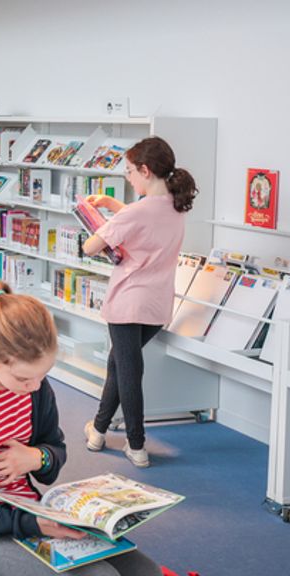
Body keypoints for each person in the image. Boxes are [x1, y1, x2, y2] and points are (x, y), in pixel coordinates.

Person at [0, 281, 160, 576]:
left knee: (146, 571)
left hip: (36, 512)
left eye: (43, 374)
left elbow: (54, 450)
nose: (34, 387)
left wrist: (37, 458)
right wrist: (32, 524)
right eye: (23, 379)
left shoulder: (35, 387)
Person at [81, 136, 197, 468]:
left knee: (127, 370)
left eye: (130, 171)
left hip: (128, 302)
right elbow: (143, 217)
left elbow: (90, 247)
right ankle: (99, 430)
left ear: (145, 171)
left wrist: (91, 216)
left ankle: (137, 444)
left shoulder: (136, 213)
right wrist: (113, 206)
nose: (129, 178)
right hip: (157, 306)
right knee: (119, 364)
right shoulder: (177, 205)